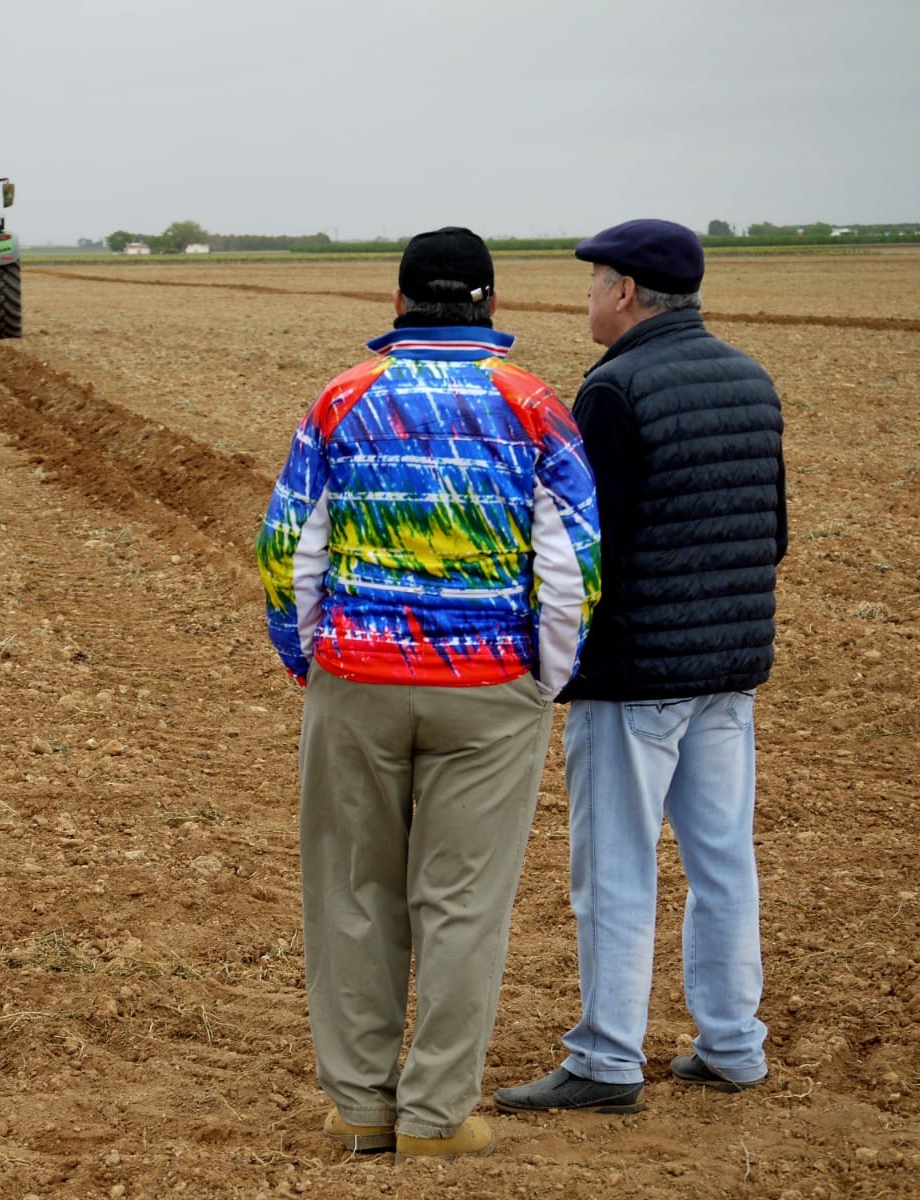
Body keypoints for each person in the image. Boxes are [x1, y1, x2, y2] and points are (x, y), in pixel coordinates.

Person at [256, 227, 601, 1160]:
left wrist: (311, 658)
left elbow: (288, 547)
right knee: (462, 904)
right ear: (490, 305)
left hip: (356, 681)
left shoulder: (342, 399)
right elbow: (573, 561)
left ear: (399, 304)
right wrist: (545, 676)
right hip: (489, 689)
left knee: (352, 893)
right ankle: (438, 1116)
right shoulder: (533, 406)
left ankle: (361, 1107)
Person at [494, 218, 787, 1116]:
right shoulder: (750, 379)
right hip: (728, 672)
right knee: (722, 860)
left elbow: (590, 550)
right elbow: (772, 534)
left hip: (634, 679)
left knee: (616, 866)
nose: (585, 297)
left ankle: (608, 1060)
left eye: (592, 283)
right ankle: (733, 1044)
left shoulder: (614, 391)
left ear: (625, 292)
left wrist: (547, 656)